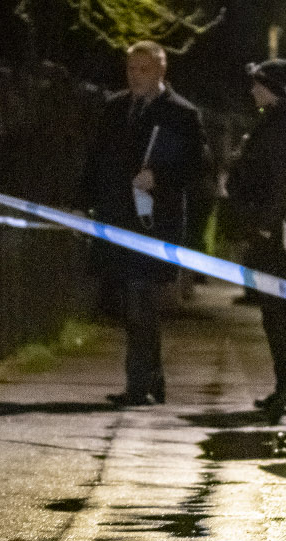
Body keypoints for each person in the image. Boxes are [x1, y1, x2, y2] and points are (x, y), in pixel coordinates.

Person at [80, 40, 209, 406]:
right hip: (117, 218)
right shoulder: (115, 108)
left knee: (140, 300)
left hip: (153, 224)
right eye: (130, 69)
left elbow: (198, 167)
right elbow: (96, 159)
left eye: (143, 69)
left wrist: (160, 177)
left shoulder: (182, 114)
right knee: (132, 303)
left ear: (160, 71)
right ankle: (151, 381)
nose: (134, 76)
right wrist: (84, 203)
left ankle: (141, 385)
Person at [225, 58, 286, 422]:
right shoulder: (274, 125)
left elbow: (282, 184)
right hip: (265, 230)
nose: (252, 90)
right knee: (274, 314)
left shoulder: (283, 129)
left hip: (272, 236)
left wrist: (265, 226)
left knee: (280, 314)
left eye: (259, 84)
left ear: (276, 89)